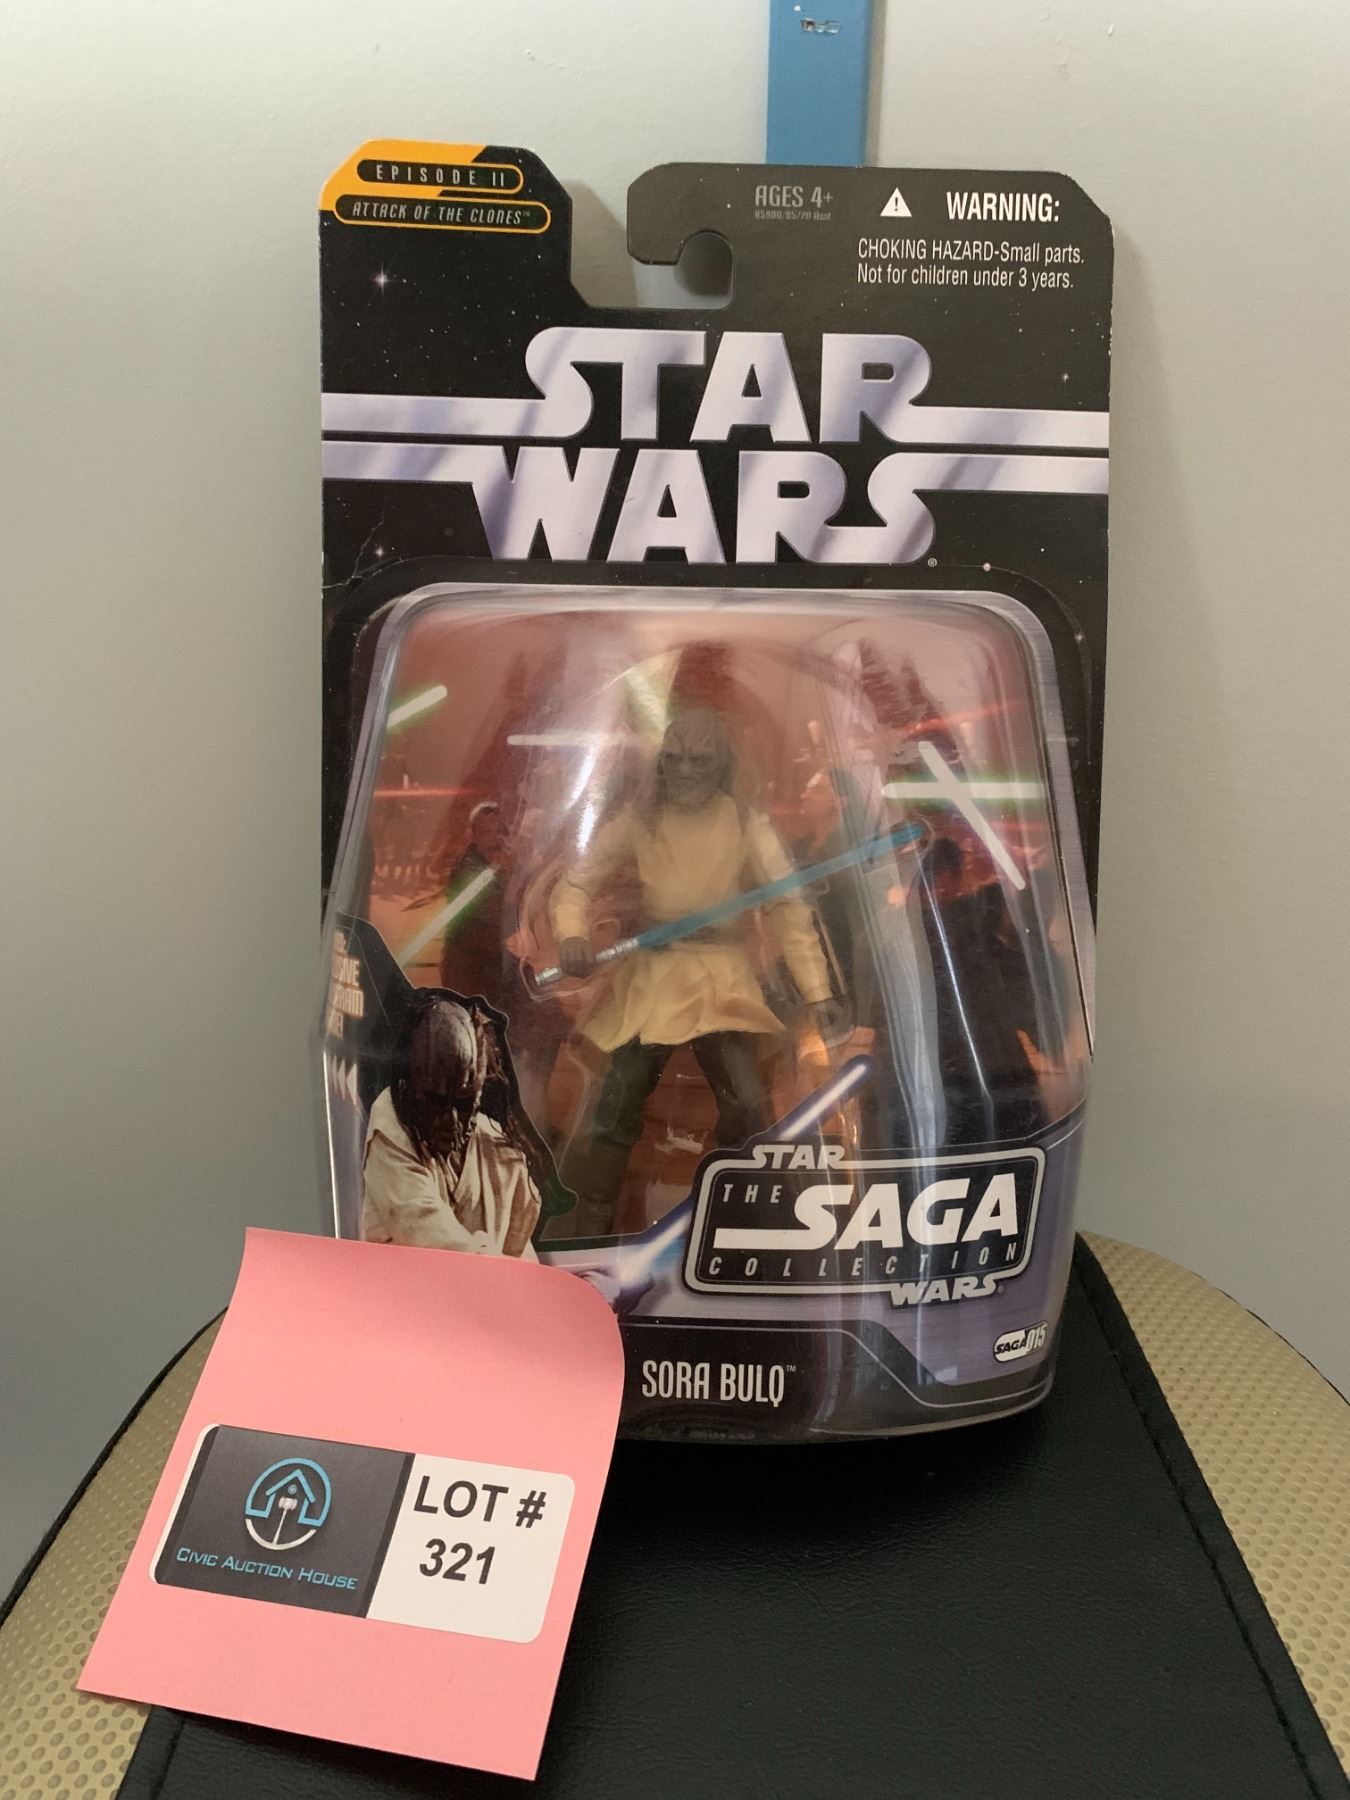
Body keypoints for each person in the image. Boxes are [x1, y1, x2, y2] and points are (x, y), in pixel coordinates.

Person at [548, 706, 844, 1236]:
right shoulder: (640, 818)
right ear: (662, 761)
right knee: (616, 1102)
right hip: (654, 977)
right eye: (676, 759)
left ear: (721, 762)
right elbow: (575, 883)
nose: (685, 772)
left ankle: (733, 1207)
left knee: (748, 1104)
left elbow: (789, 904)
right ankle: (593, 1218)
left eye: (700, 761)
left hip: (720, 977)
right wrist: (571, 935)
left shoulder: (745, 822)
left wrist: (818, 992)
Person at [361, 990, 546, 1257]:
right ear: (412, 1090)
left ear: (479, 1090)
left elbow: (521, 1254)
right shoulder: (391, 1124)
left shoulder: (502, 1155)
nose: (451, 1120)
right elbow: (427, 1233)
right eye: (435, 1101)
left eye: (464, 1102)